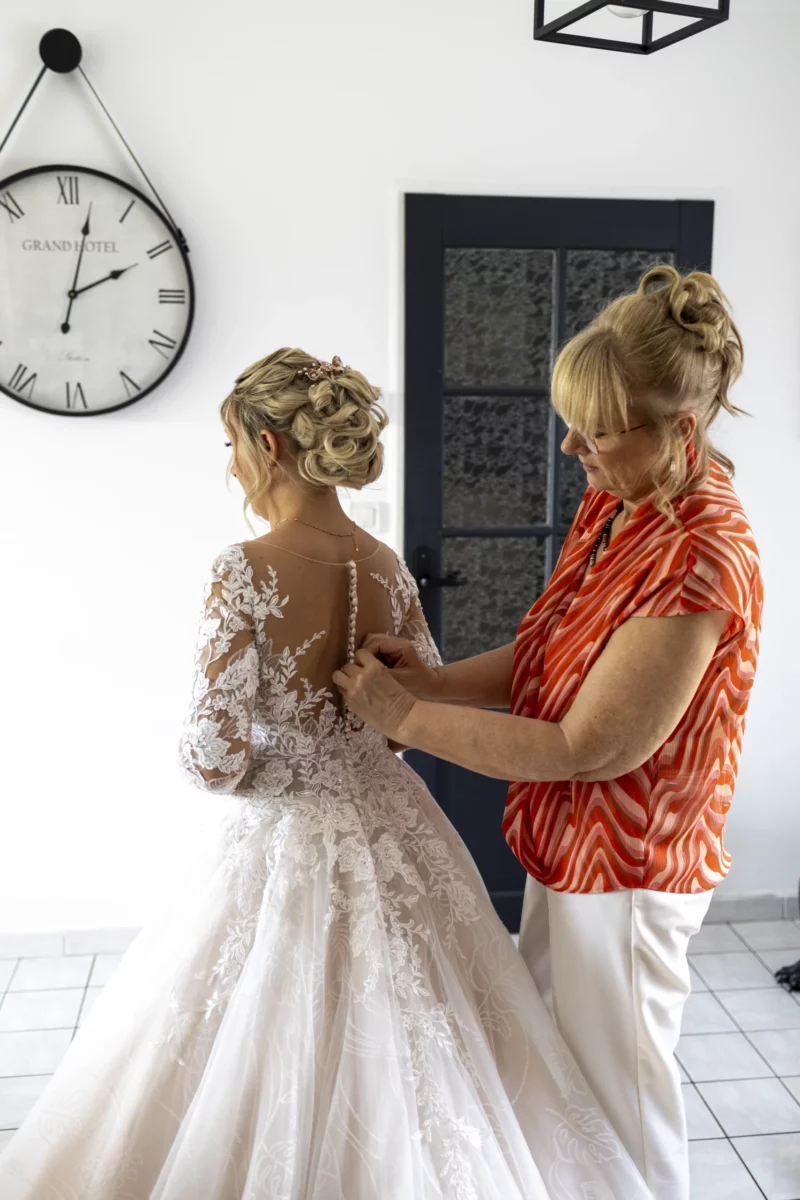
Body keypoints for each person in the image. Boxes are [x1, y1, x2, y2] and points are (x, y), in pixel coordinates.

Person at [0, 348, 653, 1199]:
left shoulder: (242, 569)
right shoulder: (385, 563)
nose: (230, 462)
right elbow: (402, 719)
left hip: (286, 839)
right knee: (424, 1042)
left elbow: (216, 756)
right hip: (397, 826)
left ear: (269, 445)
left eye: (231, 442)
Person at [337, 266, 764, 1200]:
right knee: (565, 1091)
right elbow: (547, 652)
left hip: (629, 872)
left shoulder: (701, 551)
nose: (572, 447)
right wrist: (441, 680)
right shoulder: (621, 499)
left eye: (598, 431)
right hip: (567, 849)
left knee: (623, 1107)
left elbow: (590, 746)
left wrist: (412, 720)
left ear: (679, 431)